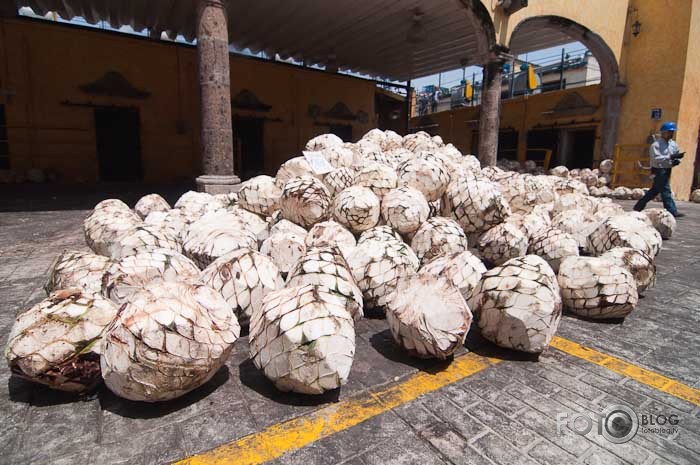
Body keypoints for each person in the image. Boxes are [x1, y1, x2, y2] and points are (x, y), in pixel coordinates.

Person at [633, 121, 685, 218]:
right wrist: (670, 157)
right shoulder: (656, 145)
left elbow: (676, 154)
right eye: (669, 132)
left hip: (667, 169)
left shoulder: (673, 144)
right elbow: (656, 158)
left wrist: (676, 160)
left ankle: (638, 207)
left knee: (654, 191)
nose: (671, 134)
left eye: (672, 132)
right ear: (663, 132)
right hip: (658, 170)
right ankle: (671, 211)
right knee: (666, 190)